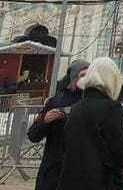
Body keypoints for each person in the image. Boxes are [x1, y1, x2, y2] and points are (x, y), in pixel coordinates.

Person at [56, 57, 123, 190]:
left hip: (71, 181)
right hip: (101, 182)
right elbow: (122, 151)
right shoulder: (111, 108)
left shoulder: (77, 107)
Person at [29, 59, 90, 190]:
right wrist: (45, 121)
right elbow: (33, 135)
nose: (86, 79)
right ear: (73, 78)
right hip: (53, 169)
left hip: (81, 171)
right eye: (82, 75)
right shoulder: (56, 101)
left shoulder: (93, 103)